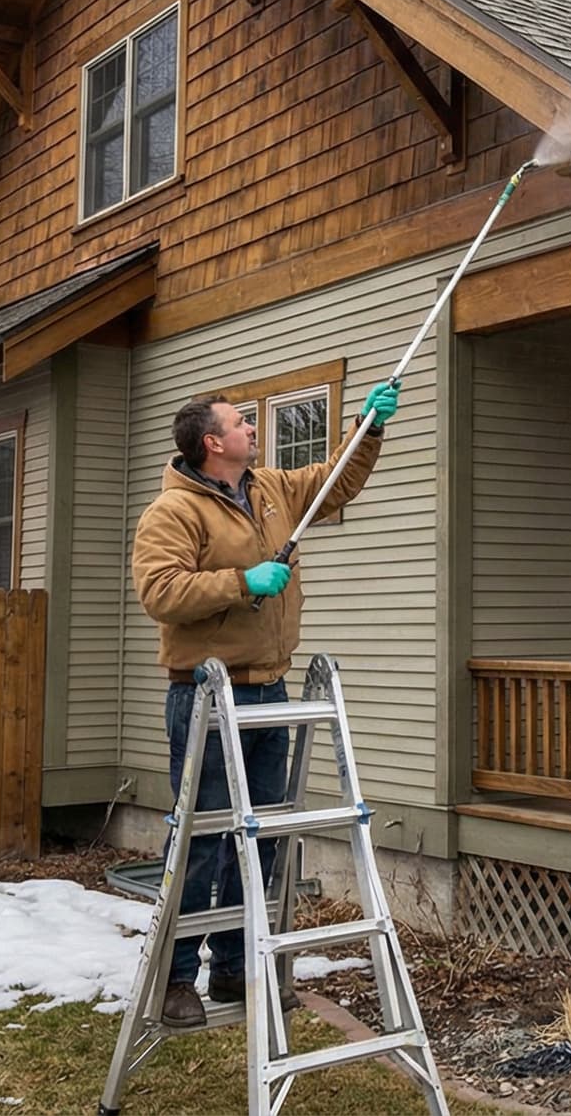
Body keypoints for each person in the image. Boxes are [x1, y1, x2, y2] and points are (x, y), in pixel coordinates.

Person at [131, 377, 399, 1028]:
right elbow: (160, 590)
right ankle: (175, 981)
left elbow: (334, 482)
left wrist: (369, 427)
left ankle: (234, 965)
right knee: (204, 837)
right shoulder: (174, 512)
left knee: (259, 842)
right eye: (241, 423)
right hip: (206, 695)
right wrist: (240, 581)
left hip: (270, 692)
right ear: (211, 442)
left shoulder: (270, 489)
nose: (253, 429)